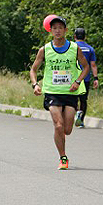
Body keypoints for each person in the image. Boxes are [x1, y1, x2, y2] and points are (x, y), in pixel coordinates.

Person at [29, 16, 89, 170]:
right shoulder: (45, 49)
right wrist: (35, 84)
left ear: (65, 30)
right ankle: (63, 157)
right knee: (58, 125)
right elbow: (33, 69)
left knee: (67, 130)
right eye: (54, 28)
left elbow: (86, 67)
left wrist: (77, 82)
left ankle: (63, 147)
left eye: (60, 28)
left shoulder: (75, 48)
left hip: (70, 92)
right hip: (52, 92)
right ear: (51, 30)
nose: (57, 30)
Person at [74, 28, 99, 128]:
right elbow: (93, 65)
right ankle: (81, 121)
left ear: (75, 36)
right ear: (85, 37)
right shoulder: (90, 49)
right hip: (86, 78)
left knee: (73, 99)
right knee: (83, 100)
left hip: (73, 78)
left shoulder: (72, 47)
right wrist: (96, 78)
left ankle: (76, 113)